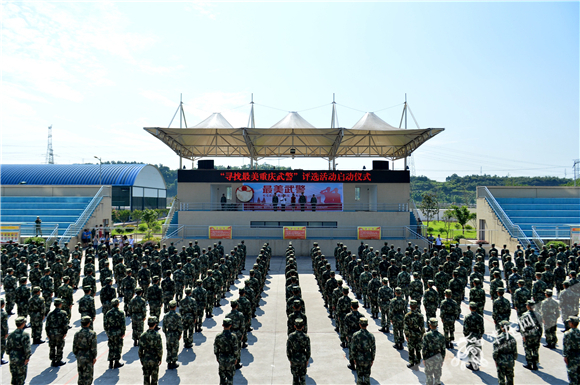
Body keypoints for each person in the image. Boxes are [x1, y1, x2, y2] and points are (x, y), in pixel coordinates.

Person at [73, 316, 97, 385]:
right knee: (88, 376)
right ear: (89, 323)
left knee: (81, 375)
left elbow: (74, 347)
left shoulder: (77, 334)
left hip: (80, 355)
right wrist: (94, 357)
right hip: (88, 356)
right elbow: (93, 347)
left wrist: (77, 354)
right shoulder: (92, 334)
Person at [6, 316, 31, 385]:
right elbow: (27, 348)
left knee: (14, 376)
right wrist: (27, 357)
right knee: (21, 377)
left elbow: (7, 348)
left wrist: (11, 354)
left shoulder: (11, 335)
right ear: (23, 324)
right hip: (21, 357)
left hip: (13, 357)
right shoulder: (25, 335)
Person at [351, 317, 375, 385]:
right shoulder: (371, 336)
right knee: (367, 376)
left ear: (359, 324)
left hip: (358, 357)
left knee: (359, 376)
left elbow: (352, 348)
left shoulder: (355, 335)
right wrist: (372, 359)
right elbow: (373, 349)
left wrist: (354, 358)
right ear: (367, 325)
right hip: (368, 357)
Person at [139, 316, 164, 385]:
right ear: (155, 324)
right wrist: (160, 358)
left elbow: (140, 350)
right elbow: (159, 349)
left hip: (146, 359)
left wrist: (141, 359)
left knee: (146, 378)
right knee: (154, 379)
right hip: (154, 359)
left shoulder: (143, 335)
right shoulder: (157, 335)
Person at [286, 318, 311, 385]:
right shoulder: (306, 337)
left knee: (295, 378)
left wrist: (290, 359)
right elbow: (308, 350)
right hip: (303, 360)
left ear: (295, 326)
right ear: (303, 326)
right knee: (302, 378)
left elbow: (288, 349)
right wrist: (307, 359)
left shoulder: (291, 336)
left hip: (294, 359)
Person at [214, 318, 238, 385]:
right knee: (230, 377)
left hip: (221, 358)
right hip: (230, 359)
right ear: (230, 325)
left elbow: (216, 348)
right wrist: (236, 358)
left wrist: (217, 357)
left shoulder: (218, 336)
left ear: (222, 325)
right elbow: (236, 349)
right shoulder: (233, 337)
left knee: (222, 377)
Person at [422, 318, 446, 385]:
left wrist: (424, 358)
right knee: (437, 375)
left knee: (429, 375)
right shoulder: (441, 336)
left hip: (429, 357)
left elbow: (424, 348)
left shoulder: (426, 335)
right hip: (438, 357)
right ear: (437, 325)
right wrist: (442, 359)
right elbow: (443, 349)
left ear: (429, 325)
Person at [493, 320, 517, 385]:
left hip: (501, 361)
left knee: (501, 380)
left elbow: (495, 352)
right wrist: (512, 359)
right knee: (510, 379)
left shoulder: (498, 338)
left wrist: (495, 360)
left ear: (501, 327)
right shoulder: (512, 339)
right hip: (510, 360)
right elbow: (515, 352)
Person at [45, 298, 68, 367]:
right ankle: (58, 360)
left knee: (52, 346)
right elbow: (65, 324)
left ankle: (53, 360)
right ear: (60, 304)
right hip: (59, 332)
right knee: (59, 346)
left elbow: (47, 325)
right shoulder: (63, 313)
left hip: (51, 332)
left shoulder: (50, 314)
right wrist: (65, 333)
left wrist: (47, 333)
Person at [104, 298, 125, 369]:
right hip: (118, 332)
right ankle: (116, 362)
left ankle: (110, 363)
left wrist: (107, 332)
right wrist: (123, 332)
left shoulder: (108, 313)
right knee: (118, 347)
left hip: (111, 332)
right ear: (118, 304)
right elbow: (123, 324)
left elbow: (105, 324)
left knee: (111, 346)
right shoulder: (121, 313)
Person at [463, 302, 484, 371]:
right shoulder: (480, 317)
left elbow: (465, 328)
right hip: (477, 335)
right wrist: (480, 335)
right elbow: (482, 329)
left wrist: (466, 336)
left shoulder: (468, 317)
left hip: (470, 335)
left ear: (470, 308)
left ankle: (472, 365)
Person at [162, 300, 182, 369]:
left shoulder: (166, 316)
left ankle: (168, 362)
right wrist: (179, 334)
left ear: (169, 307)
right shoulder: (177, 316)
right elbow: (180, 326)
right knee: (175, 348)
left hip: (169, 333)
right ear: (175, 307)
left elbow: (163, 327)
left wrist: (166, 333)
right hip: (175, 333)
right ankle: (173, 362)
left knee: (169, 348)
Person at [564, 316, 580, 385]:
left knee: (572, 376)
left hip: (572, 356)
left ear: (571, 323)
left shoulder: (567, 334)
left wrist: (565, 356)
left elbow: (566, 346)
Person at [1, 298, 8, 365]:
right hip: (1, 332)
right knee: (2, 346)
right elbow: (4, 325)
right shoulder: (3, 313)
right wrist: (6, 333)